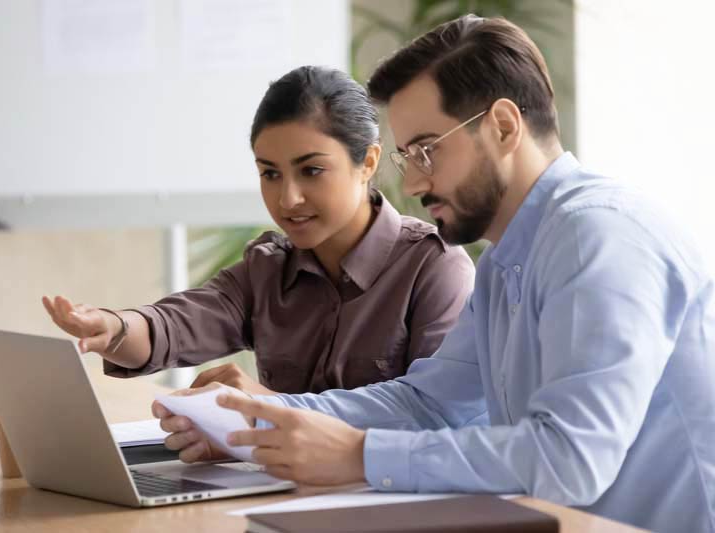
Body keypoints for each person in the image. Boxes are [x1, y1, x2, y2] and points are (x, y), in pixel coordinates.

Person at [155, 16, 715, 533]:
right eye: (407, 157)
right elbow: (429, 403)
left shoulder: (598, 236)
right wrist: (262, 421)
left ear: (501, 126)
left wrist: (359, 455)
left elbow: (570, 460)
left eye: (426, 151)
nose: (414, 185)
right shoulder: (505, 258)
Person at [43, 66, 474, 397]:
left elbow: (433, 414)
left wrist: (268, 411)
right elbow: (178, 324)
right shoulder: (267, 268)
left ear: (368, 162)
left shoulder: (434, 269)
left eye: (312, 170)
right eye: (270, 174)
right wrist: (114, 327)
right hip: (279, 496)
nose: (288, 199)